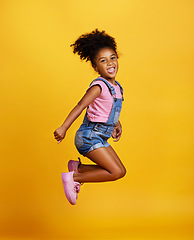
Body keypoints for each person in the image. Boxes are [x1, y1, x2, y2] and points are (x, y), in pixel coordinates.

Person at [54, 29, 126, 205]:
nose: (110, 63)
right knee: (114, 172)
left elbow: (106, 110)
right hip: (89, 136)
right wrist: (63, 127)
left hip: (100, 136)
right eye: (103, 60)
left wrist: (116, 124)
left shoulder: (117, 86)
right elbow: (80, 106)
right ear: (95, 67)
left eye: (113, 57)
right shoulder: (99, 86)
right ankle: (74, 178)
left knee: (121, 171)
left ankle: (78, 169)